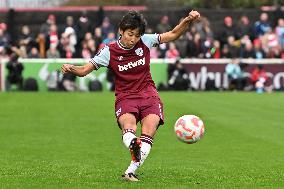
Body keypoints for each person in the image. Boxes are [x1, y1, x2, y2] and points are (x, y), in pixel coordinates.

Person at [61, 10, 200, 181]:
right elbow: (83, 70)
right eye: (130, 34)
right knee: (130, 127)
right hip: (126, 96)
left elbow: (173, 34)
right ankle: (133, 146)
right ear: (121, 30)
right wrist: (71, 68)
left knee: (149, 131)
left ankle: (130, 171)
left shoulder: (146, 41)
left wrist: (187, 20)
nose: (133, 39)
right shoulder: (109, 51)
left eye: (137, 35)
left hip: (149, 94)